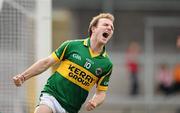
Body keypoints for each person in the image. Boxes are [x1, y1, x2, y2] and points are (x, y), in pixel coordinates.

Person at [12, 13, 115, 113]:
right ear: (93, 28)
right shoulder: (71, 45)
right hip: (52, 95)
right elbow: (46, 62)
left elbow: (101, 93)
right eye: (105, 25)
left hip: (71, 108)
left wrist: (95, 101)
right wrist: (23, 76)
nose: (110, 28)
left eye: (112, 27)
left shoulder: (107, 64)